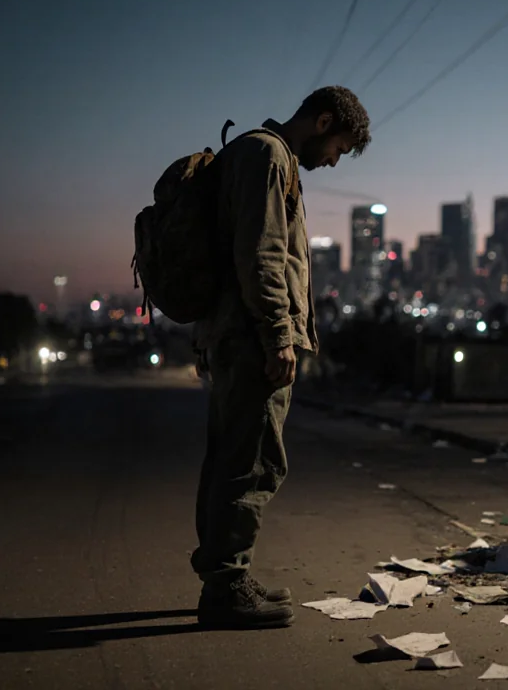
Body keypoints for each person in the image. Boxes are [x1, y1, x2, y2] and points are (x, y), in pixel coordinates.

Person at [192, 86, 371, 628]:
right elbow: (263, 253)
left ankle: (224, 578)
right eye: (338, 147)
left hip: (232, 333)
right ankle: (226, 587)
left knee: (230, 457)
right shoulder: (270, 156)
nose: (334, 159)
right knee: (252, 462)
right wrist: (279, 337)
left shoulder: (254, 154)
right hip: (252, 340)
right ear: (322, 122)